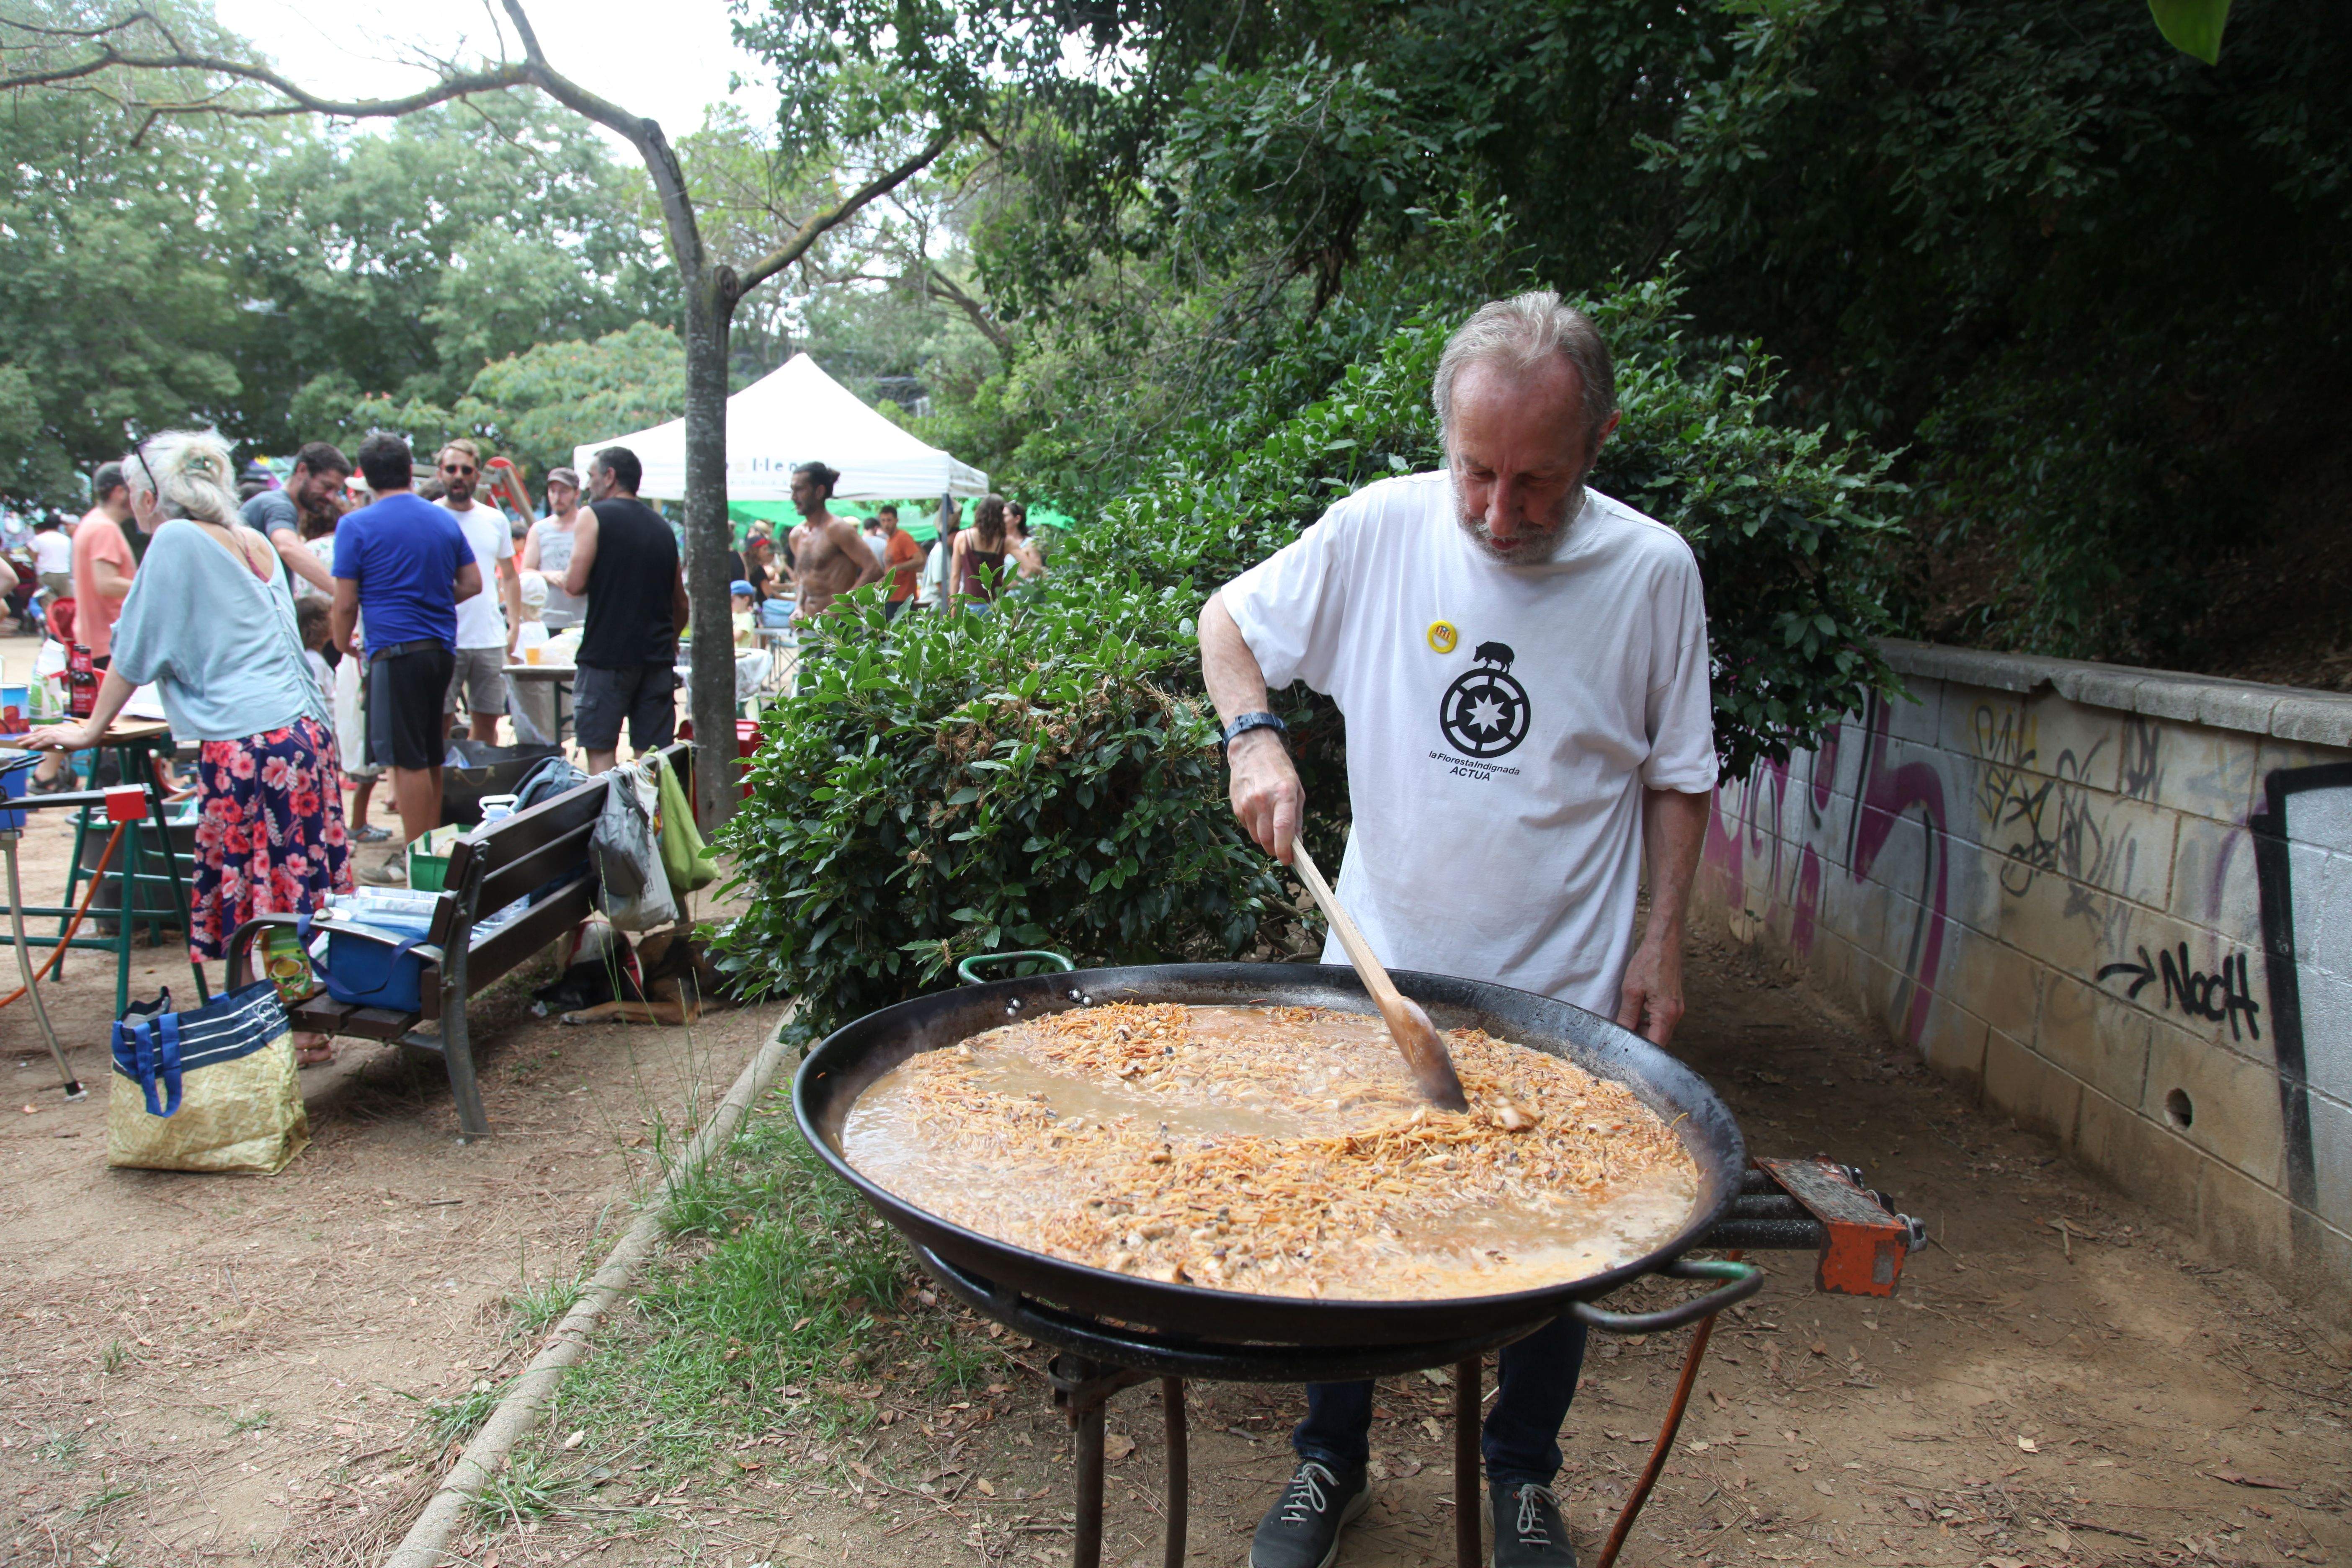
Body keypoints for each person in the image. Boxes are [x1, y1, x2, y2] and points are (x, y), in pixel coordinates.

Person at [1201, 292, 1716, 1568]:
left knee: (1554, 1245)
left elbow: (1680, 773)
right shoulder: (1381, 530)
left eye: (1536, 482)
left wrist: (1662, 941)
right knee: (1348, 1224)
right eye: (1476, 473)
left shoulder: (1651, 572)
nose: (1498, 513)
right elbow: (1229, 624)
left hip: (1566, 987)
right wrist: (1252, 733)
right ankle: (1332, 1461)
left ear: (1598, 442)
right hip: (1379, 972)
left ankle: (1523, 1476)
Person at [25, 431, 353, 1063]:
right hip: (302, 736)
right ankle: (304, 1024)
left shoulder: (176, 539)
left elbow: (136, 648)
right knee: (286, 895)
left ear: (151, 493)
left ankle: (246, 1032)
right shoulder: (252, 541)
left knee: (243, 898)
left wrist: (89, 730)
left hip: (248, 744)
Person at [330, 432, 482, 884]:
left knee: (407, 760)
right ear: (410, 466)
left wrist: (342, 644)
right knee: (430, 753)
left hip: (396, 651)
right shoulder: (440, 520)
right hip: (440, 650)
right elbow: (472, 583)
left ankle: (423, 866)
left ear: (367, 476)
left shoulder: (357, 525)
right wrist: (430, 598)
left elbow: (343, 602)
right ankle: (436, 854)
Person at [564, 446, 687, 775]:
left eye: (591, 477)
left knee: (601, 752)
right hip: (656, 661)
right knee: (653, 758)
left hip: (606, 658)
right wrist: (671, 640)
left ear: (610, 476)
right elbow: (681, 603)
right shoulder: (663, 528)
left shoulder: (594, 515)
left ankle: (612, 825)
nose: (589, 486)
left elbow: (573, 584)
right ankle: (655, 825)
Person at [432, 439, 522, 744]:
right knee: (439, 725)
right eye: (451, 468)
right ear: (439, 473)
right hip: (442, 638)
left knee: (487, 726)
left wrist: (514, 625)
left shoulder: (495, 520)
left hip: (488, 638)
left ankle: (478, 791)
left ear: (477, 475)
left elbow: (510, 575)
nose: (459, 475)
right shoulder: (429, 517)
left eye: (466, 469)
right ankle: (442, 792)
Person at [240, 442, 353, 598]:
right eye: (327, 486)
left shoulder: (281, 506)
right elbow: (287, 547)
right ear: (302, 470)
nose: (331, 498)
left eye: (336, 491)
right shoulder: (279, 505)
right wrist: (344, 595)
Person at [784, 461, 882, 623]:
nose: (793, 497)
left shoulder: (838, 530)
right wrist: (799, 607)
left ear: (819, 491)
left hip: (842, 629)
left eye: (800, 490)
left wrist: (842, 606)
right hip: (810, 626)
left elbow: (874, 570)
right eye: (793, 490)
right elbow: (805, 576)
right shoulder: (797, 535)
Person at [521, 466, 590, 630]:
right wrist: (549, 575)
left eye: (564, 491)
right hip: (548, 620)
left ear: (577, 493)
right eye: (552, 491)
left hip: (582, 621)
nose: (557, 497)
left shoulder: (589, 526)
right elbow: (526, 572)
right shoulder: (539, 530)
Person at [949, 494, 1012, 610]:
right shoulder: (1004, 541)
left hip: (970, 605)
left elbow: (955, 575)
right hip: (995, 607)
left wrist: (953, 605)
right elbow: (1031, 567)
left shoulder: (963, 537)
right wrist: (1008, 584)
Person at [874, 505, 922, 619]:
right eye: (884, 520)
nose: (886, 524)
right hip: (890, 597)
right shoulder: (890, 540)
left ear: (896, 521)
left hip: (903, 600)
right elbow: (891, 570)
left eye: (889, 520)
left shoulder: (903, 537)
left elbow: (919, 559)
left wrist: (899, 567)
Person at [29, 513, 72, 602]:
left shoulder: (38, 539)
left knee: (49, 603)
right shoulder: (66, 539)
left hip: (46, 574)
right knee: (66, 603)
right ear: (59, 525)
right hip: (64, 573)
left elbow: (33, 556)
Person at [1005, 500, 1049, 578]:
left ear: (1017, 519)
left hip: (1020, 589)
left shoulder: (1029, 543)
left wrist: (1022, 557)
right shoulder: (998, 542)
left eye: (1004, 516)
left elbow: (1038, 572)